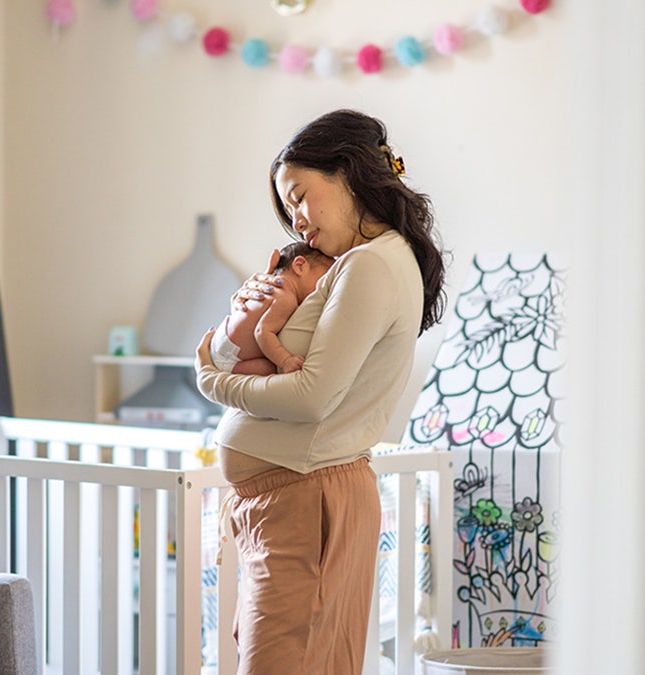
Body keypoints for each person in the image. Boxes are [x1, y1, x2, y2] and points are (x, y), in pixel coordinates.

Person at [194, 109, 447, 674]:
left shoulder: (371, 266)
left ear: (347, 172)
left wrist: (213, 381)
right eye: (289, 209)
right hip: (295, 501)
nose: (297, 221)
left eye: (301, 196)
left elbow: (311, 396)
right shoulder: (357, 264)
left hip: (305, 502)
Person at [210, 241, 333, 376]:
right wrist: (285, 360)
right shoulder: (286, 298)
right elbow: (262, 332)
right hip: (228, 358)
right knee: (272, 369)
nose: (329, 287)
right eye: (326, 278)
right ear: (300, 266)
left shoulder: (270, 287)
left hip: (221, 339)